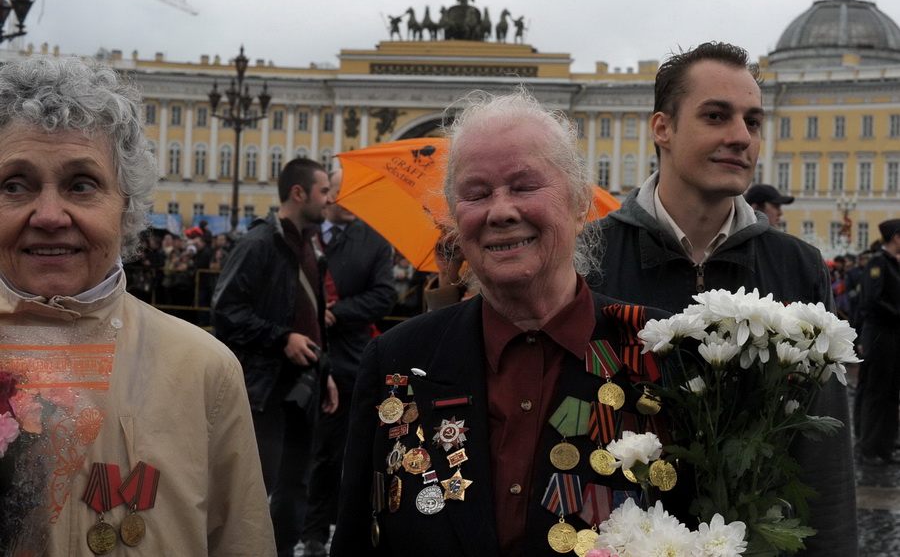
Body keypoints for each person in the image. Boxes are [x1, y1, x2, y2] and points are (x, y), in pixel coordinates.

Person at [331, 89, 669, 556]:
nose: (501, 210)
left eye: (525, 186)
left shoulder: (662, 350)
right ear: (454, 219)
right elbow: (355, 539)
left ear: (577, 201)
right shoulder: (397, 359)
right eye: (476, 193)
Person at [585, 41, 856, 555]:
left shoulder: (798, 265)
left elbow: (824, 457)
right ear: (662, 128)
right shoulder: (589, 258)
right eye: (716, 116)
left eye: (753, 122)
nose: (741, 137)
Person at [0, 55, 274, 555]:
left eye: (82, 185)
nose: (49, 214)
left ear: (127, 206)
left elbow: (242, 538)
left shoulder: (203, 369)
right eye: (14, 185)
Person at [211, 157, 339, 557]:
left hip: (304, 383)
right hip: (264, 388)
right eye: (323, 192)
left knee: (295, 485)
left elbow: (312, 318)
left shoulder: (309, 248)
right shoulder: (259, 243)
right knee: (256, 485)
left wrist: (326, 370)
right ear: (298, 193)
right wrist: (281, 338)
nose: (330, 200)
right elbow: (225, 311)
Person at [300, 169, 397, 557]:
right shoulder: (305, 237)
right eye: (344, 194)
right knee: (312, 452)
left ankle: (345, 529)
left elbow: (384, 295)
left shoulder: (373, 241)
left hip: (351, 360)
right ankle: (310, 530)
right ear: (329, 198)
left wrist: (339, 313)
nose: (353, 203)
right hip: (305, 357)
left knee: (348, 452)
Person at [854, 219, 900, 465]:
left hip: (893, 335)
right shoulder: (877, 263)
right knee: (875, 391)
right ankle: (868, 447)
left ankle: (886, 446)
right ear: (896, 237)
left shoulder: (893, 264)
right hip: (880, 334)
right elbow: (872, 300)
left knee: (892, 392)